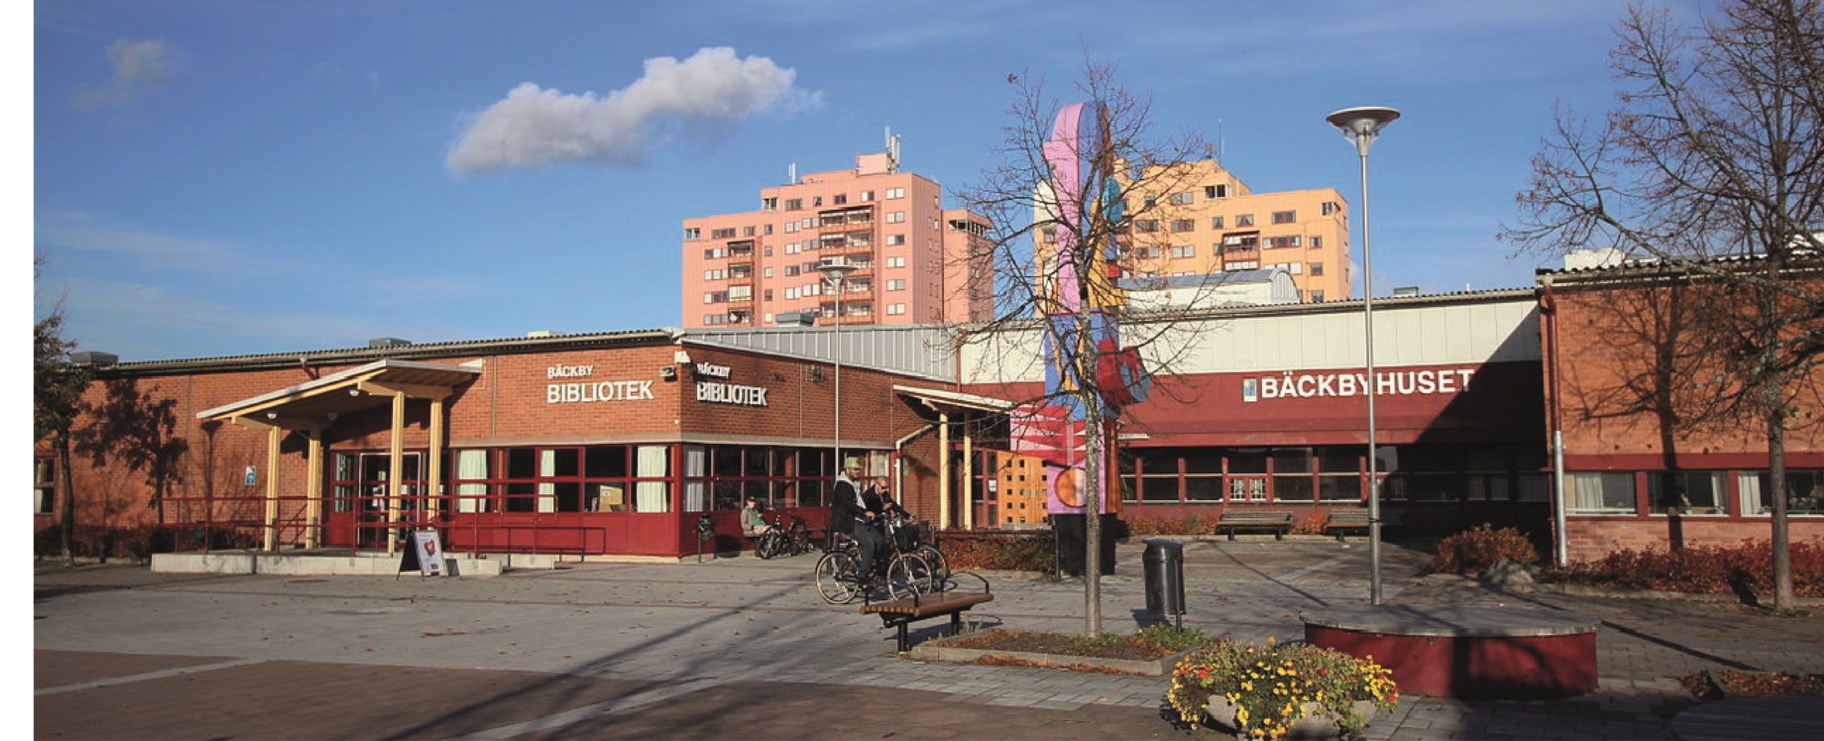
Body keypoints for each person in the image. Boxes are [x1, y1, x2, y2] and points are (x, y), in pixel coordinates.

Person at [835, 457, 886, 585]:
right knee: (869, 543)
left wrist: (870, 513)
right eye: (855, 469)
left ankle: (871, 567)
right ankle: (862, 576)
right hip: (848, 522)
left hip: (860, 519)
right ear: (847, 469)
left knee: (880, 541)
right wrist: (864, 512)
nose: (858, 471)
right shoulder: (842, 485)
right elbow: (848, 505)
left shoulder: (854, 483)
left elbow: (860, 502)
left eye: (859, 469)